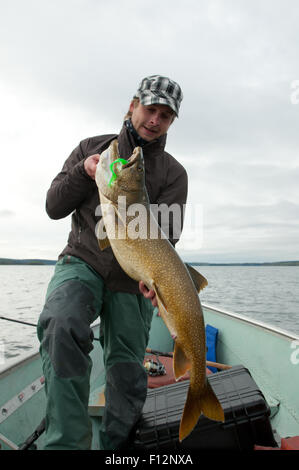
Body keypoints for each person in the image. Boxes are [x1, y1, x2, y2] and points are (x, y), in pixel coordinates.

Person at [37, 75, 188, 450]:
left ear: (171, 122)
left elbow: (166, 242)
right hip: (82, 261)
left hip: (132, 277)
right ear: (133, 105)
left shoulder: (174, 174)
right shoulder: (92, 148)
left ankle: (116, 449)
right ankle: (66, 444)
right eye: (150, 109)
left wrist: (156, 282)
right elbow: (54, 206)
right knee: (61, 324)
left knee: (126, 370)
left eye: (165, 116)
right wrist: (83, 173)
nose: (155, 120)